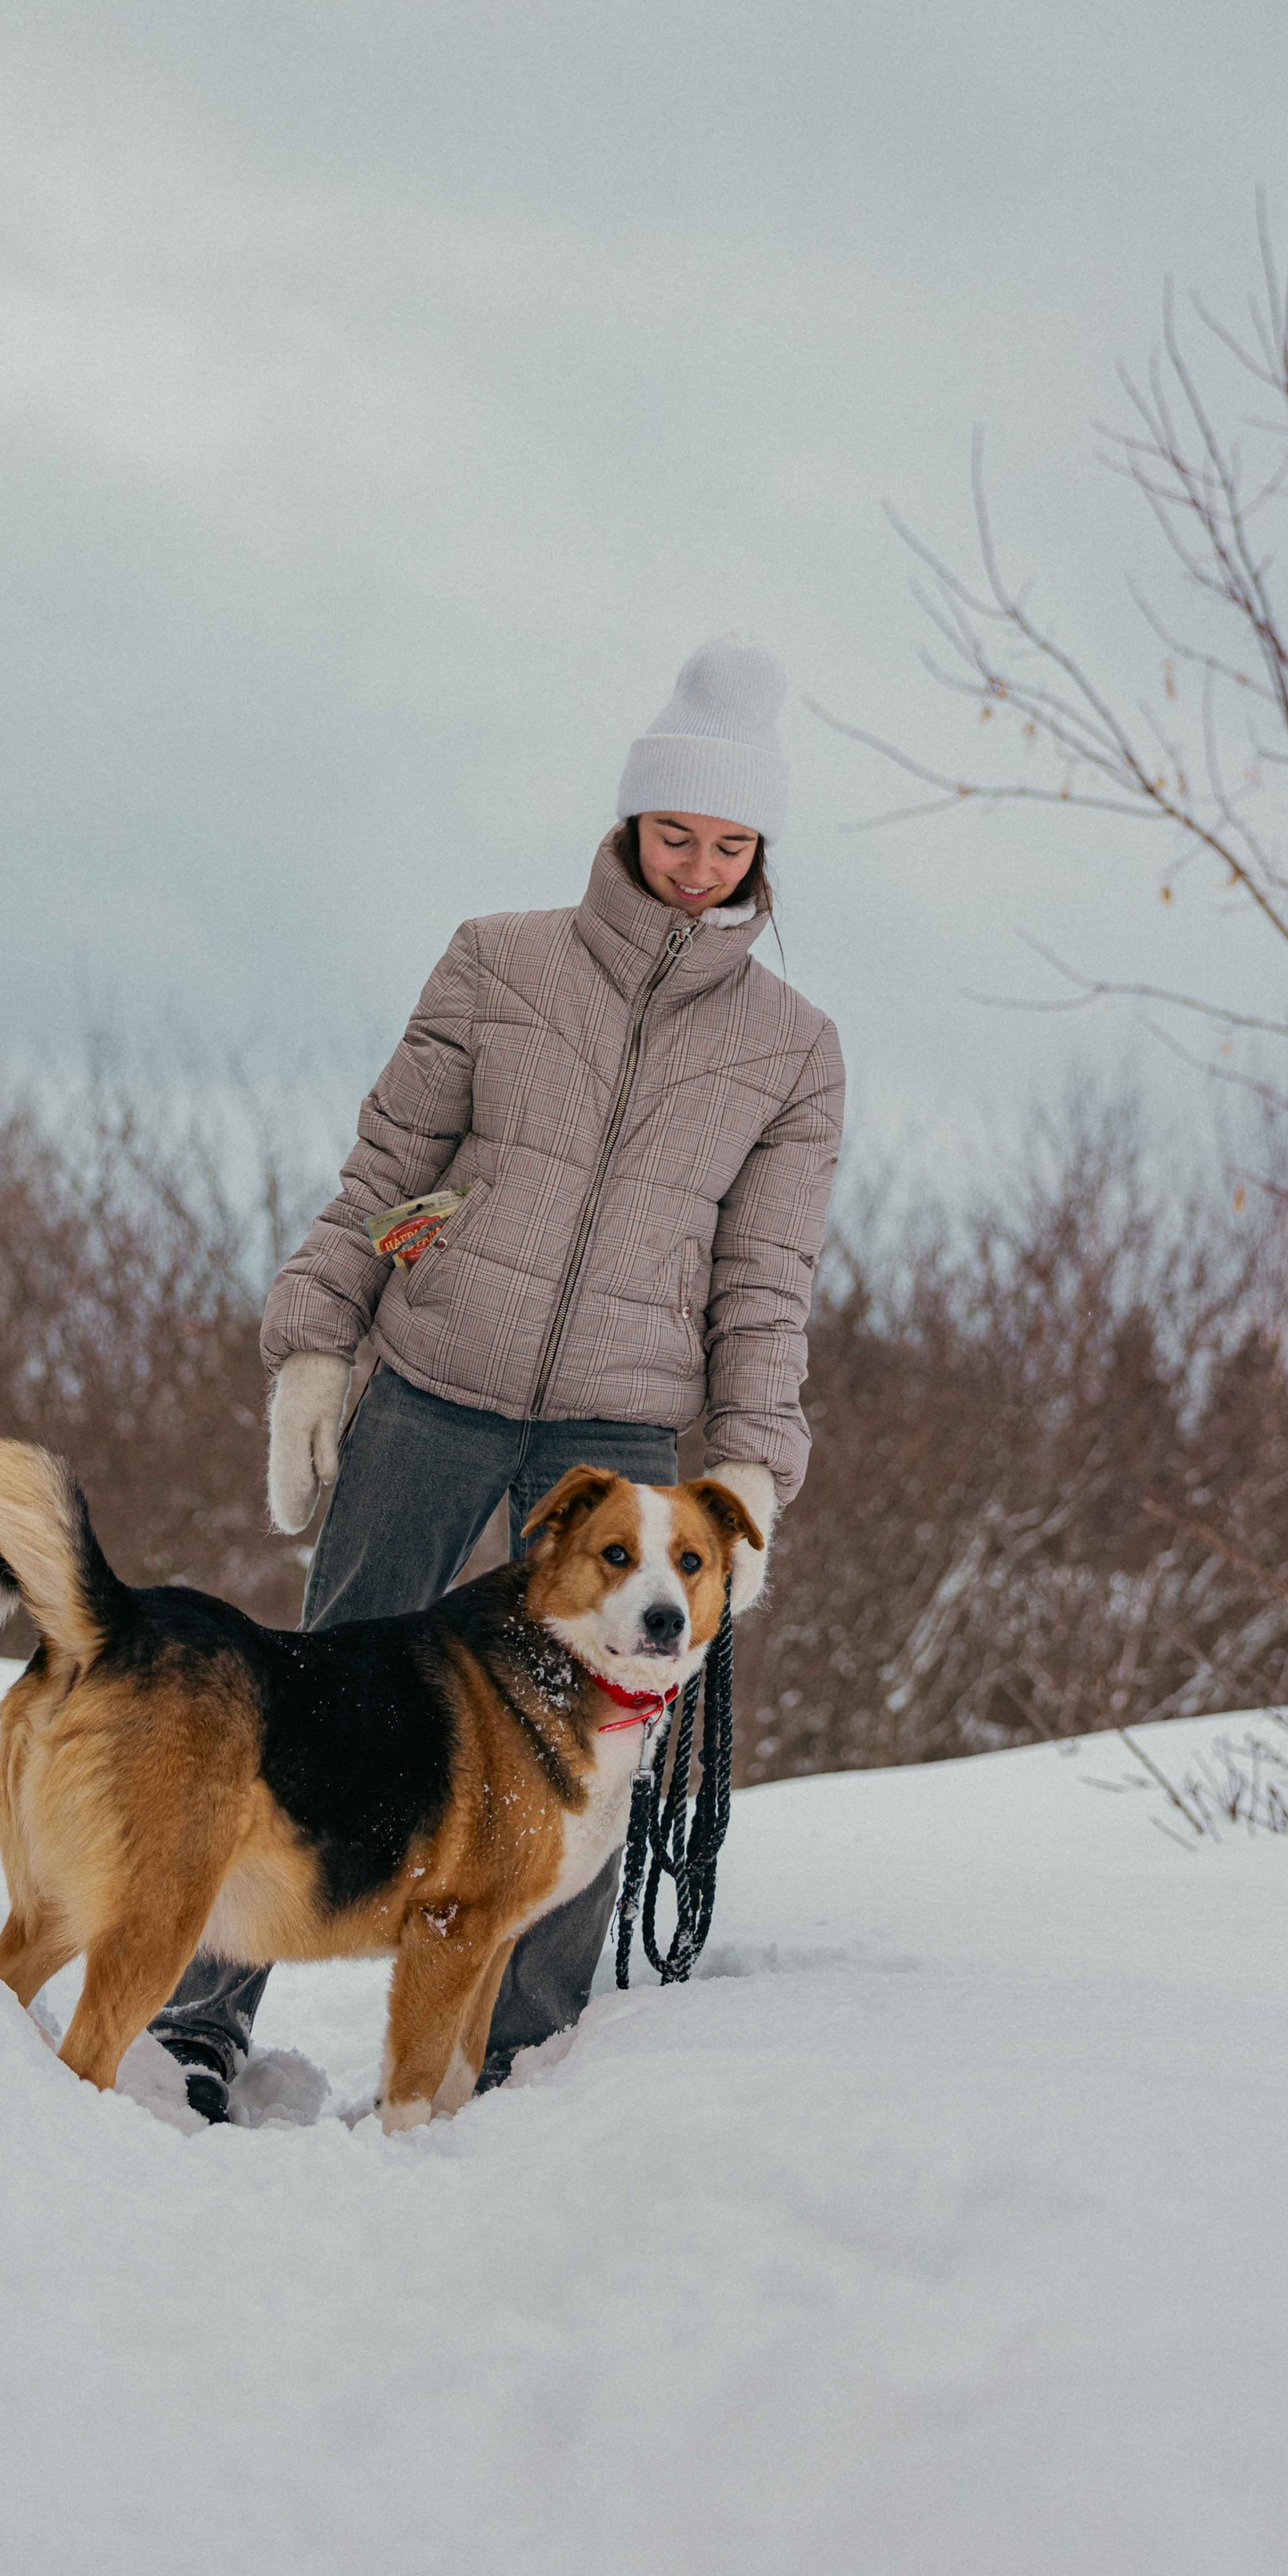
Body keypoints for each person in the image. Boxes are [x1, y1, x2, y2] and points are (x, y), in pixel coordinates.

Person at [154, 637, 846, 2121]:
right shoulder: (498, 959)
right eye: (677, 835)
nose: (699, 869)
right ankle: (201, 2014)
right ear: (628, 822)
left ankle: (531, 2055)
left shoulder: (795, 1052)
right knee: (314, 1691)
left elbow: (764, 1283)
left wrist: (746, 1468)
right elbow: (387, 1169)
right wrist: (319, 1347)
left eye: (731, 846)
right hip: (436, 1379)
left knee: (598, 1738)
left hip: (616, 1416)